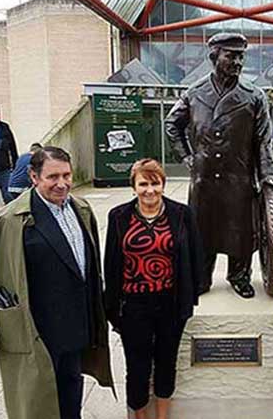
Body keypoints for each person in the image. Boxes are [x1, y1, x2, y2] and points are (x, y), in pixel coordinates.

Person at [0, 146, 114, 419]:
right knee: (38, 407)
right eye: (53, 177)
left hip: (77, 329)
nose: (62, 184)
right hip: (37, 332)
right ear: (34, 177)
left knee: (70, 400)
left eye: (67, 175)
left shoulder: (82, 209)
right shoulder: (10, 219)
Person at [165, 32, 273, 299]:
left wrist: (268, 174)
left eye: (241, 56)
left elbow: (264, 139)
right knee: (202, 230)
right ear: (214, 56)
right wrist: (186, 157)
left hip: (239, 178)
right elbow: (172, 125)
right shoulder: (194, 93)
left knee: (240, 232)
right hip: (203, 179)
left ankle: (239, 276)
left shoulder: (254, 96)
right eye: (231, 55)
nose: (238, 62)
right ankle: (202, 277)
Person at [104, 159, 202, 419]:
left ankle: (162, 416)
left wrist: (189, 302)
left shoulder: (181, 214)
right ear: (134, 186)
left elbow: (194, 257)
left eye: (155, 183)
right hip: (133, 305)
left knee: (166, 364)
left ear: (163, 184)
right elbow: (111, 264)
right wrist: (112, 309)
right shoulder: (118, 216)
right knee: (137, 367)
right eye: (143, 183)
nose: (150, 190)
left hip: (170, 303)